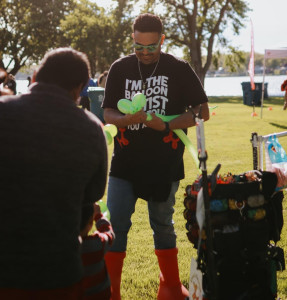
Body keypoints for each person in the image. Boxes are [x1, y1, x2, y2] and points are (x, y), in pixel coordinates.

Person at [102, 13, 209, 300]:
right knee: (116, 226)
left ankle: (171, 288)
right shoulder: (120, 67)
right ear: (133, 40)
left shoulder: (178, 68)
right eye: (139, 47)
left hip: (164, 165)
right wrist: (126, 120)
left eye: (152, 47)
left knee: (163, 225)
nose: (145, 53)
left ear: (162, 40)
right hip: (124, 165)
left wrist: (164, 124)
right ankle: (111, 292)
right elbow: (108, 112)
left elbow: (202, 112)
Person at [0, 47, 108, 300]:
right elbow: (90, 202)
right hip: (57, 276)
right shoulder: (92, 130)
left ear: (35, 75)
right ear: (79, 88)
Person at [80, 202, 115, 300]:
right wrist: (99, 216)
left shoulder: (61, 247)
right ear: (90, 224)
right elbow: (109, 234)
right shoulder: (97, 244)